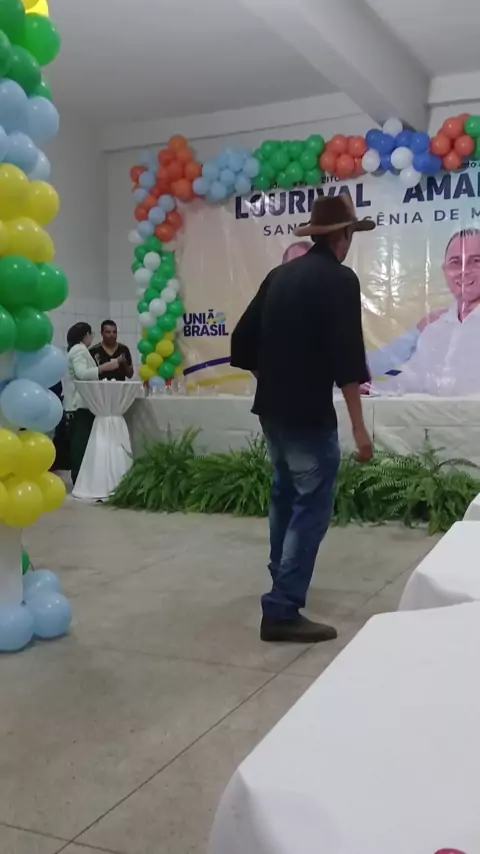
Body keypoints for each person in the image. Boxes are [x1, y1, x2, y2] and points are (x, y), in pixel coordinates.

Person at [231, 195, 374, 644]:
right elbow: (348, 359)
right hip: (309, 415)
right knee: (310, 508)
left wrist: (273, 379)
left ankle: (281, 581)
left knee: (284, 495)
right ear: (344, 234)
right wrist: (359, 428)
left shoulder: (280, 276)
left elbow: (241, 340)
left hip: (271, 410)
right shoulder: (340, 280)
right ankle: (282, 608)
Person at [372, 229, 480, 395]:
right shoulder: (435, 329)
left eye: (476, 261)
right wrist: (376, 386)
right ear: (445, 270)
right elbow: (410, 372)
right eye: (455, 262)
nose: (464, 270)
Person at [65, 322, 120, 485]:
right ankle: (80, 478)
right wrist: (104, 367)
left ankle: (82, 477)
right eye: (91, 334)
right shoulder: (79, 350)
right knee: (81, 442)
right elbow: (82, 374)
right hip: (81, 403)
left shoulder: (77, 350)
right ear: (86, 335)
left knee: (82, 441)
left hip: (81, 402)